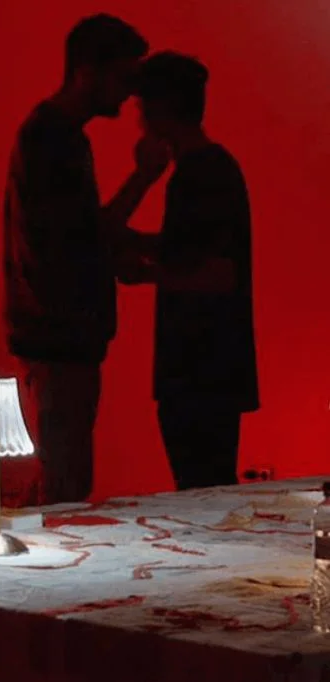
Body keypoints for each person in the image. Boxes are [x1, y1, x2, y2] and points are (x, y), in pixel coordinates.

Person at [4, 14, 170, 506]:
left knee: (63, 477)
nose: (130, 92)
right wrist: (145, 176)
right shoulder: (53, 138)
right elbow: (78, 236)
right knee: (66, 488)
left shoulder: (54, 134)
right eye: (123, 76)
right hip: (59, 338)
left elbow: (76, 233)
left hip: (55, 336)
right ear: (86, 71)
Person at [119, 52, 259, 490]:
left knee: (201, 486)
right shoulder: (210, 170)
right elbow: (197, 251)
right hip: (209, 370)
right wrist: (145, 245)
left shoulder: (199, 175)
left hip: (199, 370)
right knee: (207, 486)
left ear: (160, 107)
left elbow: (218, 274)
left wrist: (145, 272)